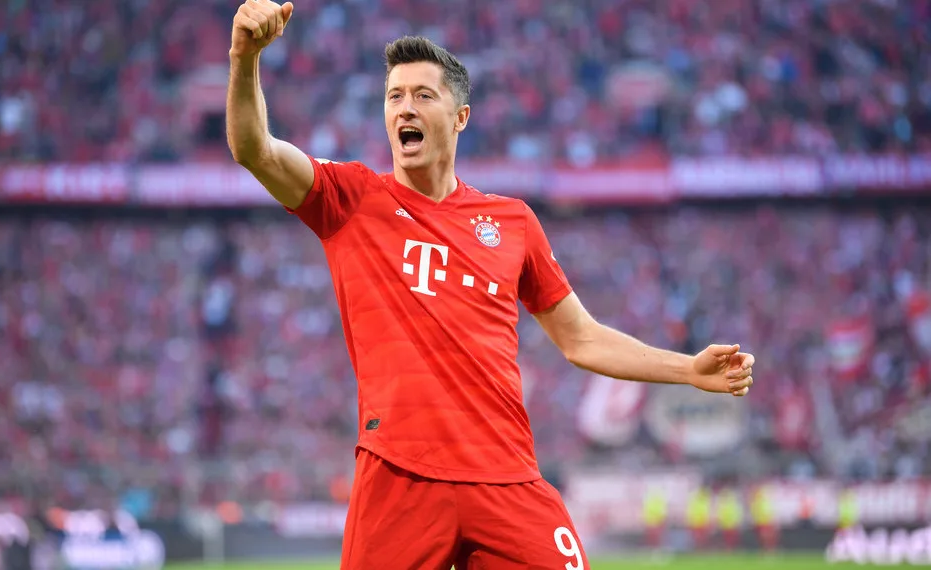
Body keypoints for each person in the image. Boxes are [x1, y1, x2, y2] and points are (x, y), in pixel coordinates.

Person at [225, 1, 756, 568]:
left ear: (460, 117)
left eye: (423, 96)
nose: (405, 107)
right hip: (398, 476)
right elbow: (254, 148)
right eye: (394, 96)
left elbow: (582, 339)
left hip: (505, 477)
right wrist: (244, 58)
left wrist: (687, 370)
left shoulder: (512, 222)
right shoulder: (352, 198)